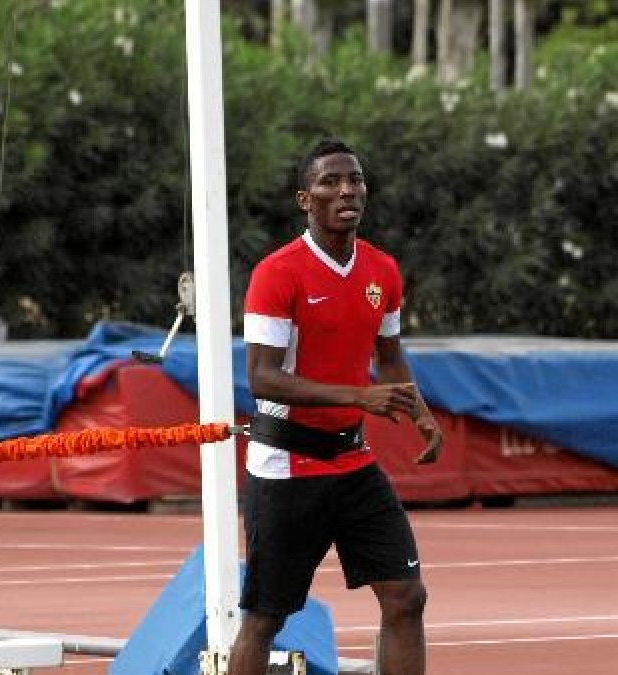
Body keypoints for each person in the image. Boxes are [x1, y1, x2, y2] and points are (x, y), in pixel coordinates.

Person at [228, 138, 444, 675]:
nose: (346, 190)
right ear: (305, 199)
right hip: (286, 467)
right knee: (265, 619)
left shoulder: (382, 271)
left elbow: (389, 357)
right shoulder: (278, 273)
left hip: (352, 462)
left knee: (406, 597)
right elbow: (262, 379)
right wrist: (358, 396)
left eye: (355, 180)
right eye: (330, 181)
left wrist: (419, 411)